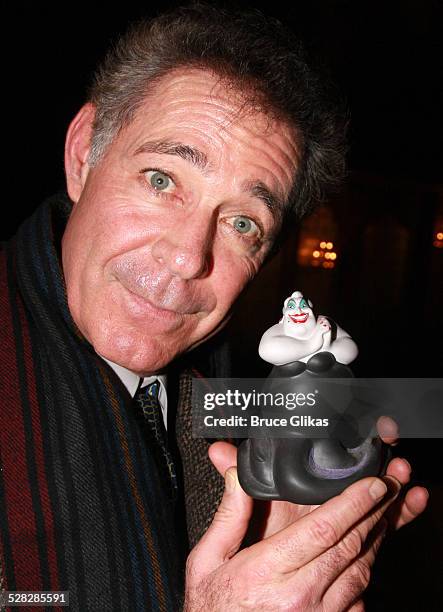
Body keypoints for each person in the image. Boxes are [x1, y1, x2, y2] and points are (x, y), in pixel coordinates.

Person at [0, 4, 428, 610]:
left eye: (243, 223)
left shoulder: (224, 394)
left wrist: (278, 558)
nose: (186, 258)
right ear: (82, 155)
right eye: (161, 179)